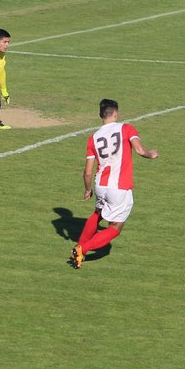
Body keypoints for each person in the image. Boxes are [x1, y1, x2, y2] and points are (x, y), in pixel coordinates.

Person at [71, 99, 159, 269]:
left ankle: (78, 248)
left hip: (100, 185)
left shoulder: (93, 138)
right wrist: (151, 154)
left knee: (98, 213)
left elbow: (87, 172)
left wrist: (88, 190)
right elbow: (140, 150)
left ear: (101, 115)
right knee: (115, 227)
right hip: (119, 187)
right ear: (115, 113)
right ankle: (82, 249)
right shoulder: (126, 128)